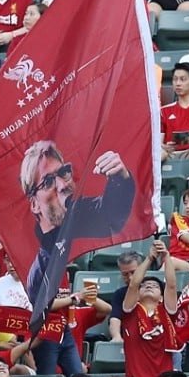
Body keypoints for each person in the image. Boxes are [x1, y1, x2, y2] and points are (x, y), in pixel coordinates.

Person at [20, 139, 134, 332]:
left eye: (63, 172)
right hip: (50, 337)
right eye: (48, 182)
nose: (63, 185)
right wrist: (73, 298)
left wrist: (120, 176)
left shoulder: (76, 214)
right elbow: (39, 308)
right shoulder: (37, 264)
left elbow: (111, 215)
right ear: (34, 204)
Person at [120, 244, 179, 377]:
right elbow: (133, 284)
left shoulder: (167, 311)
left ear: (161, 296)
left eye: (154, 285)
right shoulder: (130, 312)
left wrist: (167, 256)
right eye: (145, 285)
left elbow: (172, 286)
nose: (149, 286)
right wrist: (149, 258)